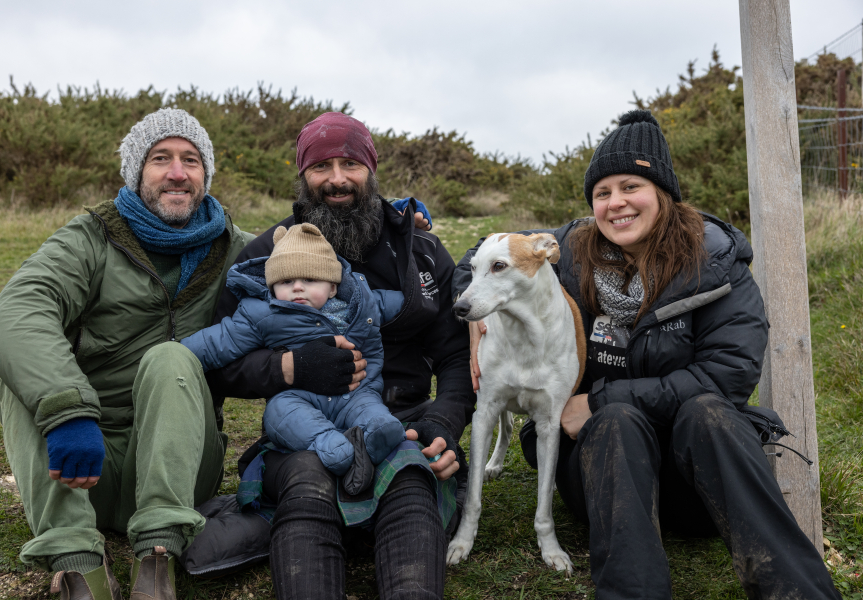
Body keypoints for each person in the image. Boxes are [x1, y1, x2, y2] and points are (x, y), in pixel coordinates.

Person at [455, 110, 840, 599]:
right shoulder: (569, 251)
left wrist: (597, 400)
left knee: (707, 411)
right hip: (602, 472)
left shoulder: (716, 265)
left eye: (630, 186)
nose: (615, 203)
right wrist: (478, 317)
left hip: (697, 480)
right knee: (616, 420)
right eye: (602, 192)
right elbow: (482, 256)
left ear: (663, 193)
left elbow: (727, 376)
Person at [0, 108, 256, 600]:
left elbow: (316, 271)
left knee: (171, 357)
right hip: (79, 463)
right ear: (136, 171)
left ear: (206, 174)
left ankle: (157, 556)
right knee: (23, 377)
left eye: (191, 160)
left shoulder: (238, 251)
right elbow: (18, 311)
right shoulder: (92, 237)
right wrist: (68, 412)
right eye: (160, 158)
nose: (177, 172)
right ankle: (77, 564)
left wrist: (398, 224)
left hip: (182, 469)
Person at [205, 111, 475, 599]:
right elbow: (221, 363)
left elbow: (457, 356)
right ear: (302, 175)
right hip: (303, 428)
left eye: (350, 164)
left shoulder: (421, 251)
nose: (336, 179)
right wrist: (289, 368)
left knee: (410, 481)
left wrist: (442, 425)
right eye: (320, 166)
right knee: (307, 482)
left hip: (401, 421)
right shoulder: (267, 255)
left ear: (371, 169)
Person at [181, 222, 406, 494]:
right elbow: (219, 340)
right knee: (280, 413)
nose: (298, 288)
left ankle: (373, 438)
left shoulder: (361, 303)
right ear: (272, 286)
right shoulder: (261, 314)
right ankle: (329, 443)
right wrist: (178, 354)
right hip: (298, 395)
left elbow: (410, 302)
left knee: (378, 418)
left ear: (333, 287)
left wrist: (430, 297)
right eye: (286, 282)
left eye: (310, 280)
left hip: (357, 392)